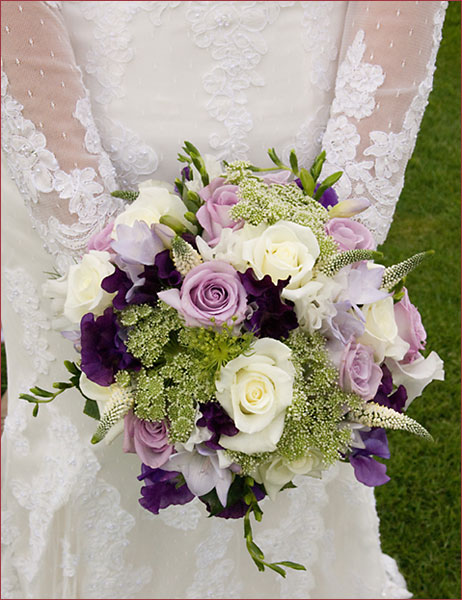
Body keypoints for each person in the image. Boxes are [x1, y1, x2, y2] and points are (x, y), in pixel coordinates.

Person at [1, 2, 447, 598]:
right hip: (72, 142)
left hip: (298, 150)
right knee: (86, 459)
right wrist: (102, 267)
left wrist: (329, 260)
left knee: (295, 460)